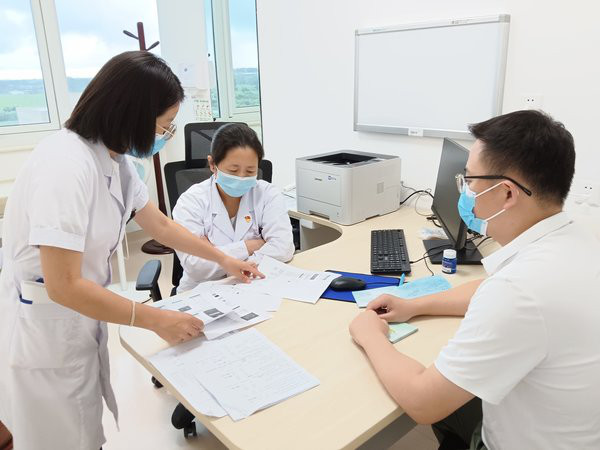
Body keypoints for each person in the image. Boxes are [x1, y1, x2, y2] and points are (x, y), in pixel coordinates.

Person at [0, 51, 263, 450]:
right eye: (163, 125)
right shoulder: (65, 166)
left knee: (80, 430)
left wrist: (224, 259)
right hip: (45, 330)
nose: (165, 135)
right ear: (131, 113)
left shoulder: (113, 158)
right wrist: (155, 319)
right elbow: (63, 284)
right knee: (59, 438)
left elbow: (161, 225)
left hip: (75, 320)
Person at [349, 110, 600, 449]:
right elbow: (490, 289)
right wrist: (413, 305)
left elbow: (423, 402)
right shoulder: (575, 240)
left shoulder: (518, 291)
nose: (466, 192)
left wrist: (370, 336)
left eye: (469, 181)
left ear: (507, 193)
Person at [173, 123, 295, 293]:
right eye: (233, 170)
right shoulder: (191, 201)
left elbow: (283, 248)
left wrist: (216, 254)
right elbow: (196, 266)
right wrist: (249, 246)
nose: (241, 177)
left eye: (250, 171)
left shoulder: (267, 193)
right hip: (201, 291)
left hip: (253, 284)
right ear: (213, 164)